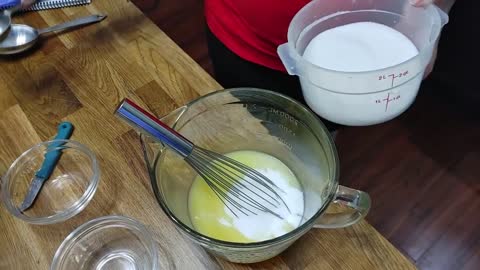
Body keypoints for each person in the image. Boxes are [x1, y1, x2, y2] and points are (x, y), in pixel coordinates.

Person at [204, 0, 457, 132]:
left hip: (359, 56)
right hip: (244, 43)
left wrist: (430, 11)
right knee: (247, 128)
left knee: (319, 133)